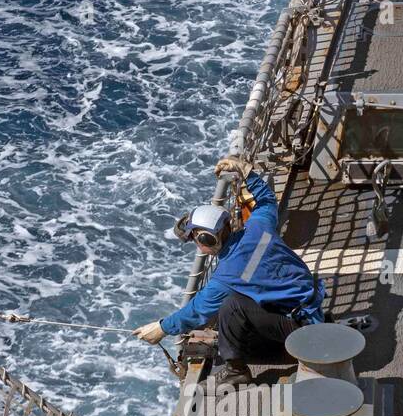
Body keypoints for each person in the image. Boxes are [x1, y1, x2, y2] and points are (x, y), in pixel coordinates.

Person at [132, 156, 325, 387]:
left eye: (195, 238)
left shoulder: (227, 277)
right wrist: (247, 173)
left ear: (206, 239)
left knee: (231, 307)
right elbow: (266, 201)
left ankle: (236, 372)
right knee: (240, 301)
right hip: (311, 306)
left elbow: (196, 312)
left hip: (301, 329)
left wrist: (162, 328)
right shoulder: (257, 227)